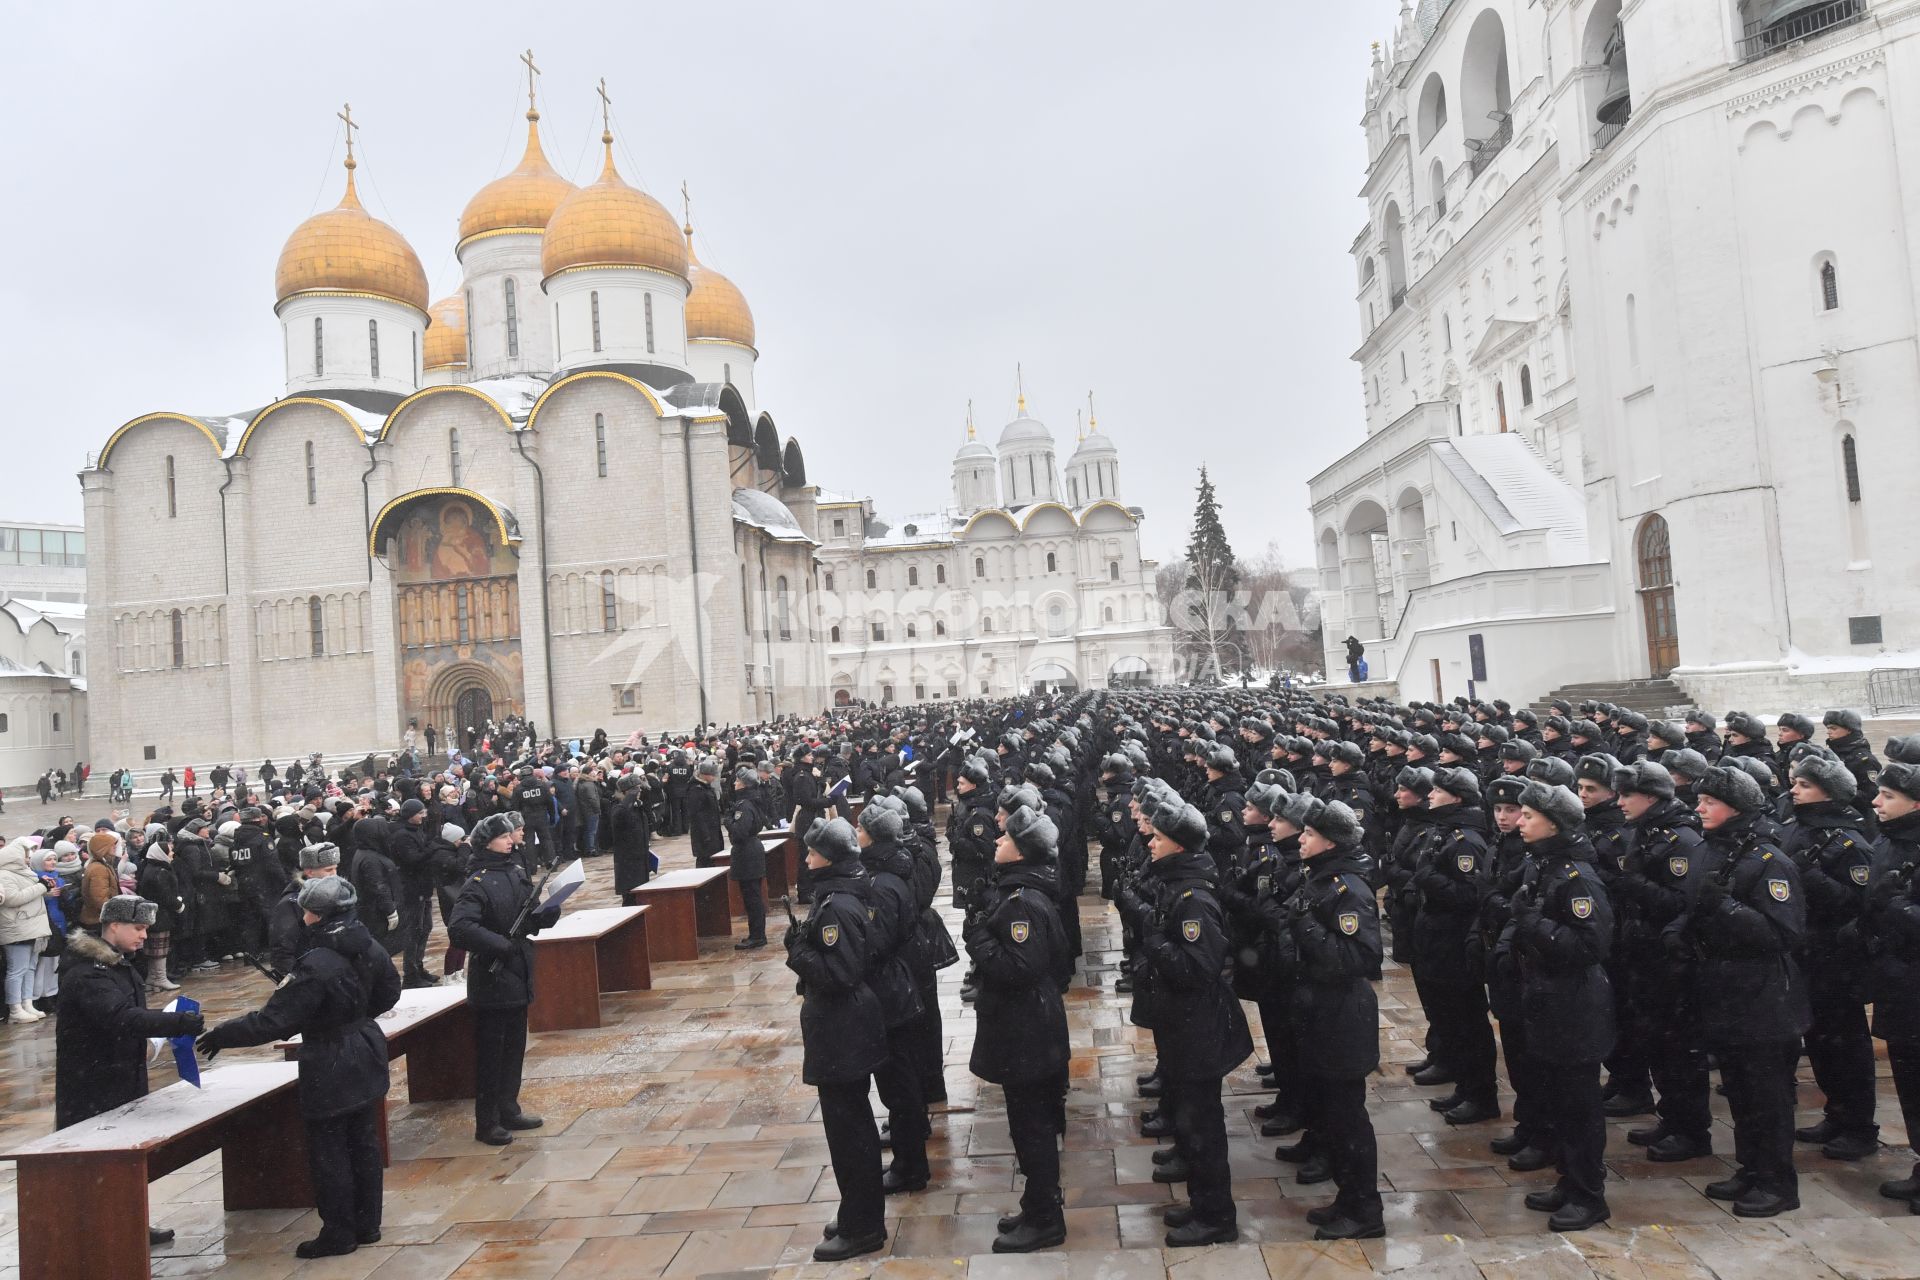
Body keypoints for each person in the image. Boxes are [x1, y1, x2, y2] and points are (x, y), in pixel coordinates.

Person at [196, 876, 401, 1258]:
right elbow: (390, 989)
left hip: (330, 1058)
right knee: (363, 1142)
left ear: (316, 916)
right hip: (364, 1048)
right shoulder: (368, 944)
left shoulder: (317, 963)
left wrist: (224, 1033)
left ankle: (340, 1232)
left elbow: (276, 1021)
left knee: (331, 1150)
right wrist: (354, 1015)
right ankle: (367, 1222)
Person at [1670, 764, 1808, 1218]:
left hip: (1763, 994)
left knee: (1767, 1094)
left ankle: (1777, 1182)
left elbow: (1781, 934)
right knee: (1741, 1090)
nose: (1699, 807)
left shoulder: (1770, 861)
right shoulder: (1714, 850)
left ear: (1737, 807)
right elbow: (1694, 905)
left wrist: (1725, 908)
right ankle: (1752, 1168)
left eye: (1710, 801)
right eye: (1701, 799)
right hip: (1724, 988)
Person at [54, 895, 205, 1247]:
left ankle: (130, 1218)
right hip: (93, 1082)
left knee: (125, 1156)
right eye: (138, 928)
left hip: (121, 1073)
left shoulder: (118, 965)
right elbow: (120, 1018)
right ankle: (98, 1229)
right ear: (114, 926)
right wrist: (176, 1022)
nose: (144, 936)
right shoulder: (88, 972)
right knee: (98, 1158)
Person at [1134, 800, 1251, 1246]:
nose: (1150, 842)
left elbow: (1196, 969)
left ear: (1179, 847)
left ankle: (1217, 1216)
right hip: (1183, 1023)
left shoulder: (1193, 899)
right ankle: (1204, 1204)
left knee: (1204, 1126)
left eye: (1158, 838)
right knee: (1192, 1122)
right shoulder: (1176, 887)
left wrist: (1156, 940)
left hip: (1197, 1026)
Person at [1507, 781, 1615, 1232]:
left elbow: (1591, 945)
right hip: (1550, 999)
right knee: (1558, 1100)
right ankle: (1569, 1181)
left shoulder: (1576, 877)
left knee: (1580, 1106)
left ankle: (1589, 1195)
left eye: (1528, 815)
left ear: (1554, 823)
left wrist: (1534, 924)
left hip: (1575, 1003)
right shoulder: (1544, 866)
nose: (1519, 821)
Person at [966, 805, 1071, 1253]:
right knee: (1028, 1121)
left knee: (1032, 1126)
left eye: (1005, 839)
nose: (996, 842)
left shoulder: (1022, 901)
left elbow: (1020, 968)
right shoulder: (1022, 893)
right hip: (1028, 1021)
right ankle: (1036, 1203)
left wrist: (980, 938)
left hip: (1026, 1025)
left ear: (1023, 852)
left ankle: (1046, 1219)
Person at [791, 818, 890, 1263]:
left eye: (812, 852)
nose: (806, 858)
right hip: (843, 1026)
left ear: (829, 858)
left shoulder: (837, 907)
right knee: (849, 1127)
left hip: (842, 1027)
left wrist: (799, 952)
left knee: (850, 1132)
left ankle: (863, 1225)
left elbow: (841, 972)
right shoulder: (838, 896)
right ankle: (857, 1212)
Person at [1286, 800, 1385, 1240]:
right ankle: (1348, 1199)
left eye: (1308, 834)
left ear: (1329, 841)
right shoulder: (1322, 879)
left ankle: (1365, 1210)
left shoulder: (1349, 890)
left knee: (1349, 1119)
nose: (1300, 840)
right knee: (1333, 1114)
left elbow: (1359, 956)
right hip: (1321, 1010)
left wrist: (1306, 924)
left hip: (1343, 1013)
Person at [448, 812, 561, 1145]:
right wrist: (500, 946)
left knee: (515, 1047)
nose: (512, 840)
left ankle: (509, 1108)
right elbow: (461, 928)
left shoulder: (514, 871)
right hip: (493, 975)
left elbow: (528, 917)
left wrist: (549, 911)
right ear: (487, 843)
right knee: (492, 1054)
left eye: (511, 835)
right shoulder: (478, 882)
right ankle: (488, 1122)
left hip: (519, 969)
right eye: (503, 837)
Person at [1863, 761, 1920, 1211]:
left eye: (1888, 796)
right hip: (1898, 983)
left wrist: (1896, 908)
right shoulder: (1888, 841)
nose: (1876, 802)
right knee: (1909, 1081)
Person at [0, 837, 52, 1023]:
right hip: (17, 928)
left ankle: (27, 1002)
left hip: (31, 927)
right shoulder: (4, 874)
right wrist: (41, 887)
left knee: (30, 968)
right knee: (17, 969)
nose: (28, 858)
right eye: (26, 854)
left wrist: (43, 886)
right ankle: (15, 1008)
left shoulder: (26, 873)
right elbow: (12, 898)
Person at [724, 775, 767, 948]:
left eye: (737, 781)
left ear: (744, 785)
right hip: (752, 850)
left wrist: (728, 822)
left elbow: (740, 832)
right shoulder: (751, 801)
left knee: (752, 897)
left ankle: (757, 935)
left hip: (747, 852)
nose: (734, 783)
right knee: (753, 895)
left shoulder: (745, 805)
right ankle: (756, 933)